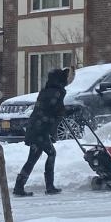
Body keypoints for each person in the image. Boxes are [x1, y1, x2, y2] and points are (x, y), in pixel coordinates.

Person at [13, 66, 72, 197]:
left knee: (32, 158)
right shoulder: (57, 92)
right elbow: (57, 110)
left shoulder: (46, 91)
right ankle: (49, 186)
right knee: (51, 153)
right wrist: (71, 110)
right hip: (41, 130)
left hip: (36, 128)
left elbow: (50, 109)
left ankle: (19, 186)